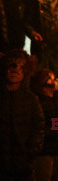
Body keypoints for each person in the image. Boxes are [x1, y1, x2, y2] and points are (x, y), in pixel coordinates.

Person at [0, 49, 45, 181]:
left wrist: (29, 155)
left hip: (23, 169)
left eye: (20, 66)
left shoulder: (31, 99)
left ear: (25, 71)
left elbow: (38, 128)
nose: (15, 69)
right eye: (11, 65)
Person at [30, 69, 58, 181]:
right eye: (51, 79)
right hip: (45, 151)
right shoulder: (38, 103)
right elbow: (37, 126)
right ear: (43, 84)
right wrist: (54, 133)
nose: (56, 81)